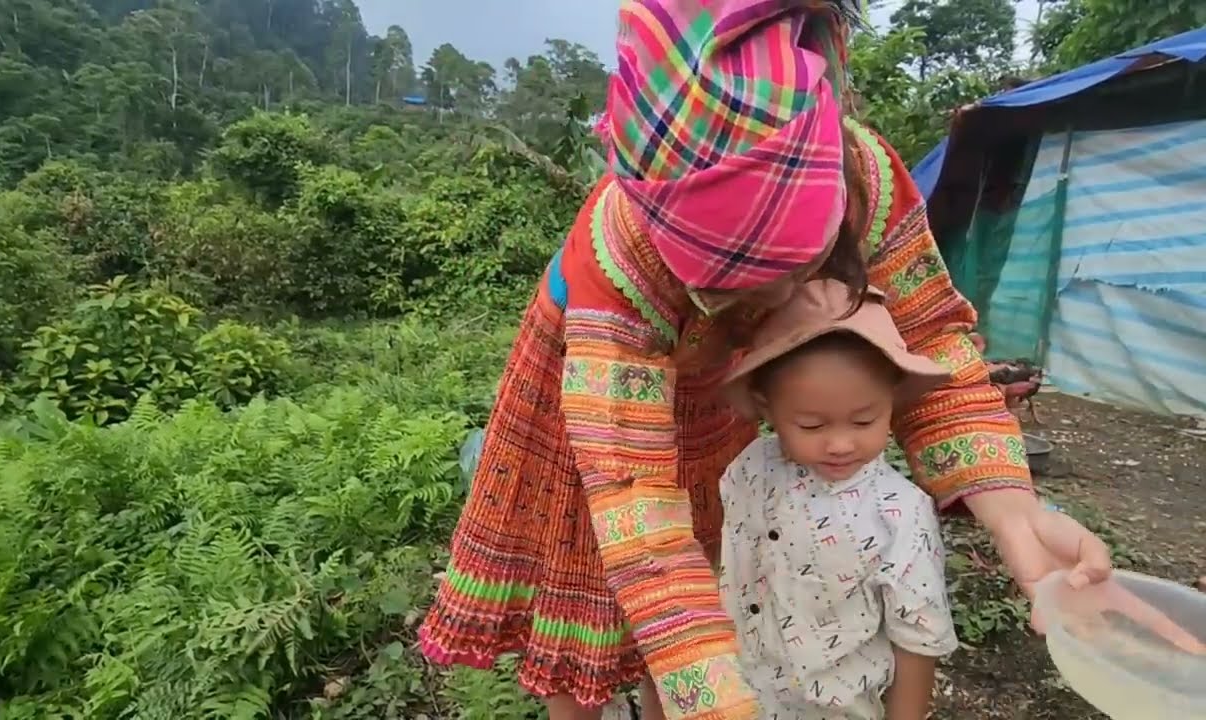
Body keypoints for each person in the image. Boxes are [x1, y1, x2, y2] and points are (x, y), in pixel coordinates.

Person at [417, 1, 1112, 718]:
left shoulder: (861, 178)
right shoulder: (619, 266)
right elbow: (640, 523)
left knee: (707, 565)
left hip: (725, 387)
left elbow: (929, 338)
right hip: (598, 407)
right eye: (721, 285)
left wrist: (1013, 512)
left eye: (789, 271)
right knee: (587, 591)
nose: (766, 306)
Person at [717, 279, 960, 719]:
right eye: (811, 425)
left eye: (865, 420)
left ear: (891, 402)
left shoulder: (899, 513)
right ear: (767, 409)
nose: (840, 444)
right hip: (741, 696)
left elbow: (918, 637)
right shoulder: (750, 469)